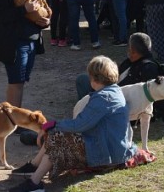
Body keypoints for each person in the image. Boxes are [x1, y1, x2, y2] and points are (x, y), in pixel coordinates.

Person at [9, 56, 136, 192]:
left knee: (57, 135)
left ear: (94, 77)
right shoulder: (114, 91)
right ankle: (35, 169)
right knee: (58, 135)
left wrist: (50, 125)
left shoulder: (103, 98)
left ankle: (34, 182)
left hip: (106, 156)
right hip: (113, 150)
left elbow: (79, 125)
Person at [0, 0, 49, 108]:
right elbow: (0, 16)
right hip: (14, 43)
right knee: (16, 82)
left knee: (20, 82)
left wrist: (44, 22)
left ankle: (11, 120)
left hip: (30, 41)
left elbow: (35, 15)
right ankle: (14, 122)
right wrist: (24, 9)